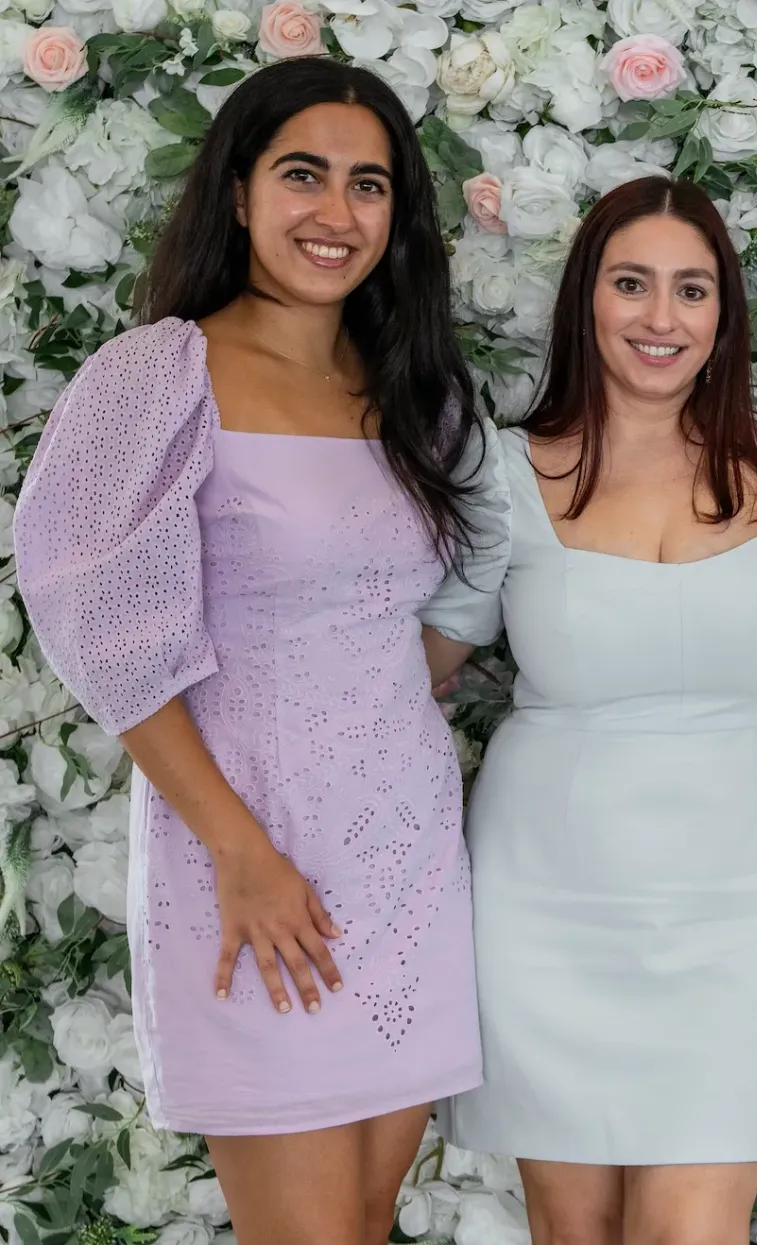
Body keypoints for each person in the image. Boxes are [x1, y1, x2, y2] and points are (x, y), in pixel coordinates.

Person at [13, 59, 484, 1244]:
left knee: (366, 1227)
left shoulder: (414, 393)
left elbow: (405, 627)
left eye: (368, 185)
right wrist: (240, 853)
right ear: (237, 192)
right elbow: (99, 631)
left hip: (408, 857)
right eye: (303, 176)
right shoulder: (161, 373)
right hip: (252, 862)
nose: (337, 213)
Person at [420, 178, 757, 1245]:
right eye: (632, 284)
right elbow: (428, 658)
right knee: (575, 1231)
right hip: (549, 906)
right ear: (585, 300)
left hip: (740, 908)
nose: (661, 318)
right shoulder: (500, 472)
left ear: (724, 313)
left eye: (691, 290)